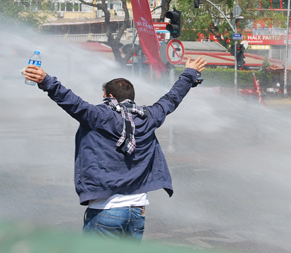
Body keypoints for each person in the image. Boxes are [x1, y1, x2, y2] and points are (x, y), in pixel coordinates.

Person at [24, 56, 207, 240]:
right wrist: (189, 73)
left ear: (109, 96)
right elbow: (171, 99)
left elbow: (72, 102)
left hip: (105, 209)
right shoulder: (147, 117)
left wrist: (46, 81)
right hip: (136, 212)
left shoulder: (99, 116)